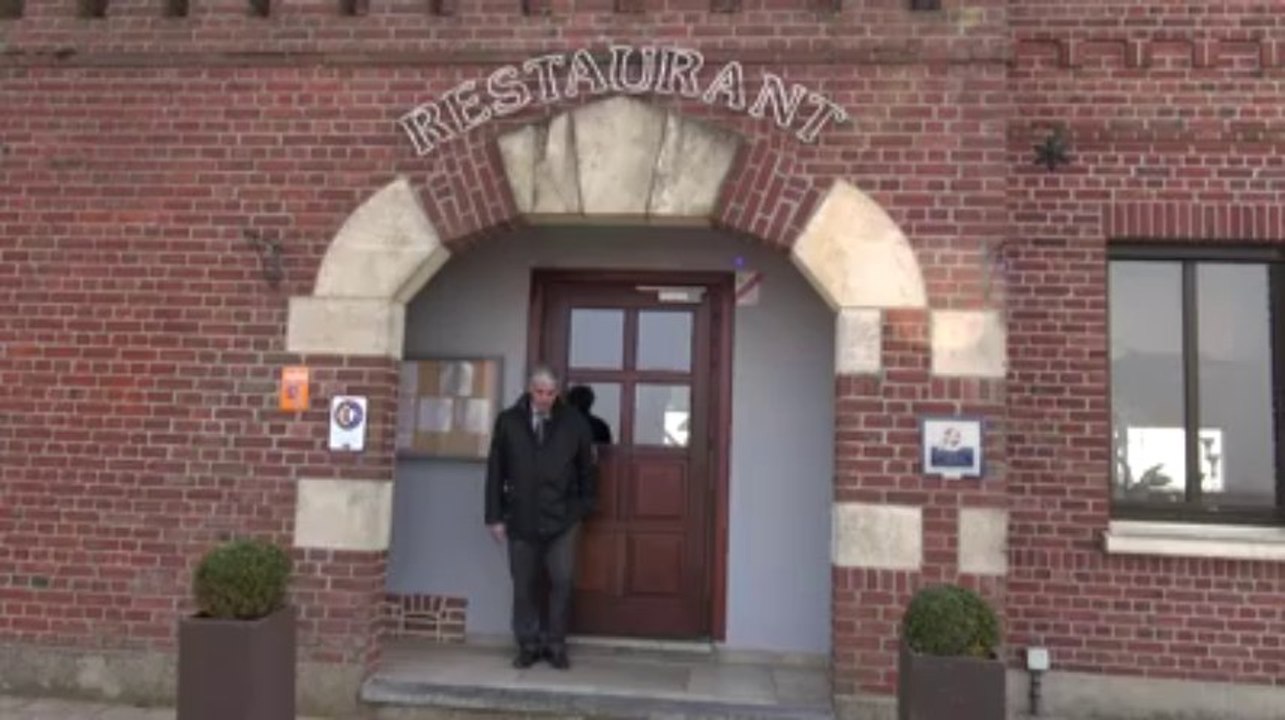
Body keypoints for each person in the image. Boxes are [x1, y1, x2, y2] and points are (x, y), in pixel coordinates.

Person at [484, 365, 596, 670]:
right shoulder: (509, 421)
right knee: (523, 585)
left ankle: (556, 645)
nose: (544, 398)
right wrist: (494, 516)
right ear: (529, 389)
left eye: (550, 393)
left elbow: (586, 470)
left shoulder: (574, 422)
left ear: (557, 392)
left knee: (563, 582)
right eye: (539, 392)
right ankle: (528, 645)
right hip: (521, 518)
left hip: (563, 519)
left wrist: (582, 508)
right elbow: (496, 470)